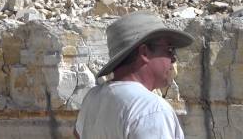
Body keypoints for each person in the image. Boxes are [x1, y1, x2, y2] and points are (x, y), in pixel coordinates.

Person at [74, 11, 194, 139]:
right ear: (144, 53)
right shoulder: (151, 110)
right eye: (169, 50)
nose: (173, 58)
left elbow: (77, 134)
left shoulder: (93, 97)